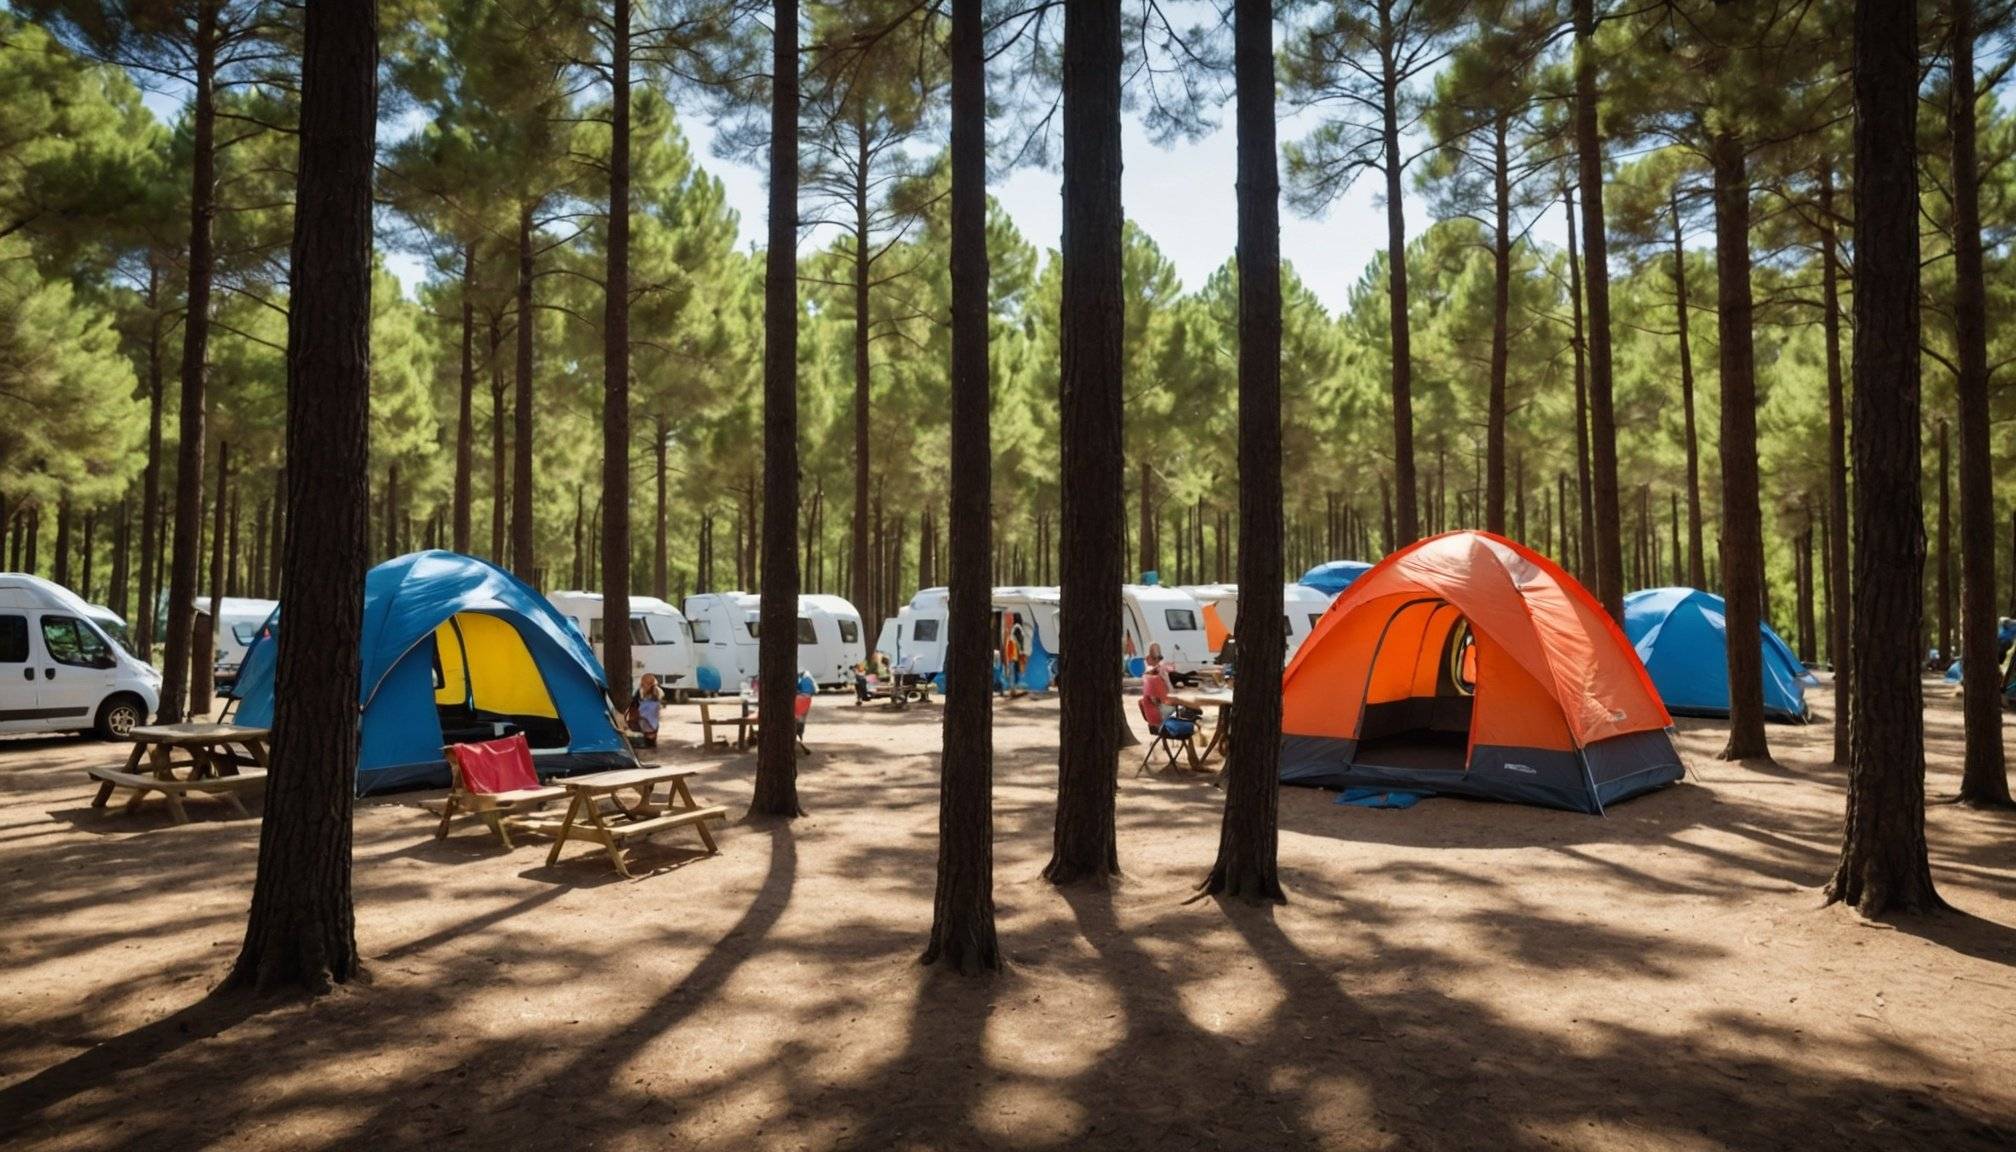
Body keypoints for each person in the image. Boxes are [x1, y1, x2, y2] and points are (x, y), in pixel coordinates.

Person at [630, 673, 664, 748]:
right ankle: (651, 742)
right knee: (650, 727)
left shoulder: (655, 691)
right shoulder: (642, 691)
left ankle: (649, 742)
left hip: (649, 715)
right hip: (650, 716)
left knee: (649, 727)